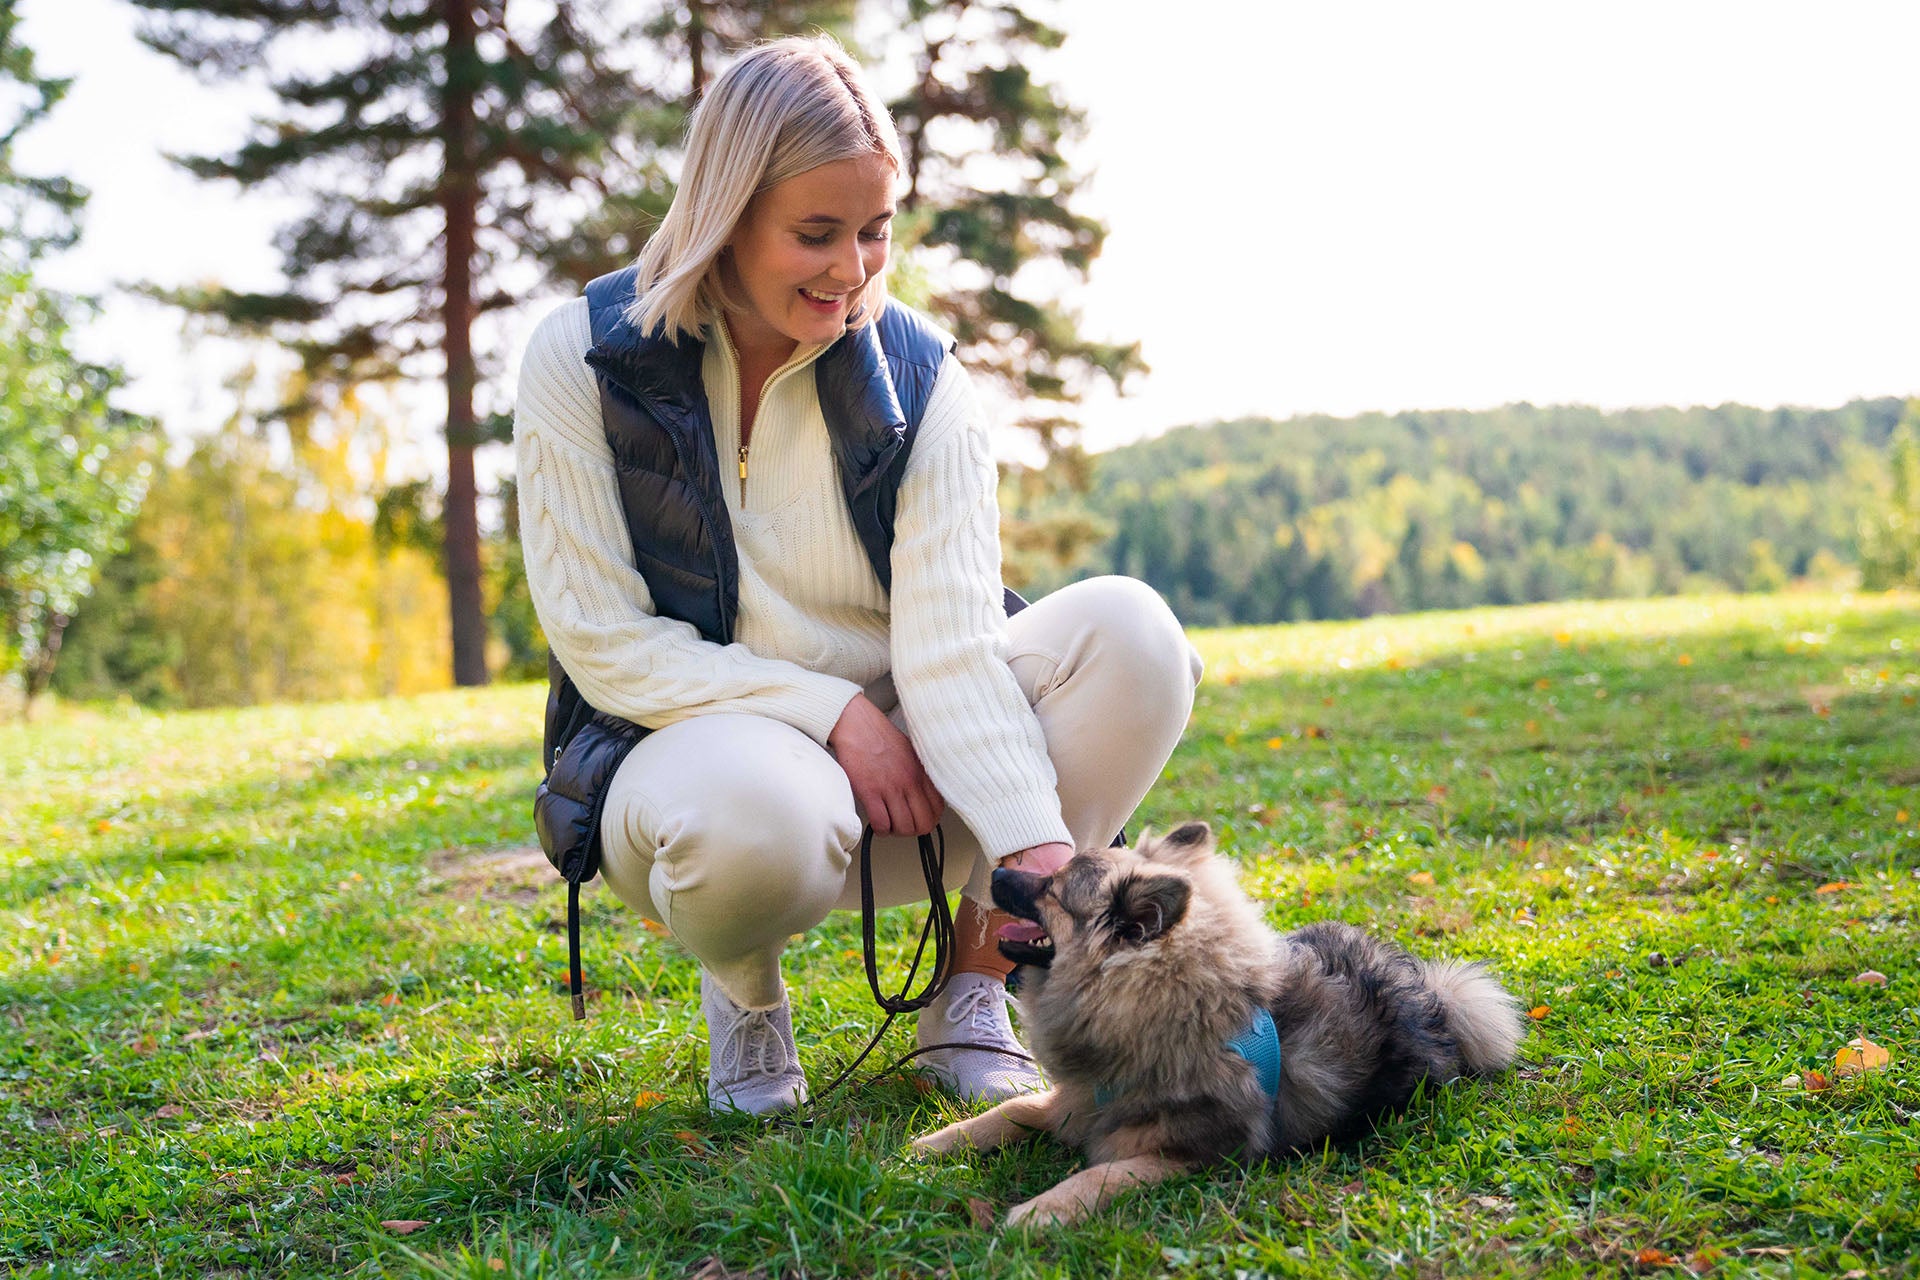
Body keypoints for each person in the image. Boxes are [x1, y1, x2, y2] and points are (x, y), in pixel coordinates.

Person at [513, 34, 1201, 1116]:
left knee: (1138, 634)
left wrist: (1042, 855)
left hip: (915, 785)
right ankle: (746, 1001)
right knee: (750, 811)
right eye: (815, 234)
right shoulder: (582, 359)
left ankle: (973, 993)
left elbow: (952, 648)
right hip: (705, 787)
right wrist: (832, 710)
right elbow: (601, 639)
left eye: (875, 231)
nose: (852, 269)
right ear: (726, 215)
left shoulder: (924, 379)